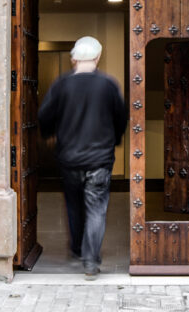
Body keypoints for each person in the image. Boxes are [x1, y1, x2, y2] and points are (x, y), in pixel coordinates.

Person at [38, 36, 127, 280]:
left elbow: (44, 115)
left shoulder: (61, 84)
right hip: (99, 159)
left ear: (73, 59)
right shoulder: (108, 85)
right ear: (97, 58)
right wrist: (115, 140)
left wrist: (48, 134)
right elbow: (121, 118)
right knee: (96, 208)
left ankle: (77, 248)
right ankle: (90, 260)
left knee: (74, 205)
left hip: (69, 158)